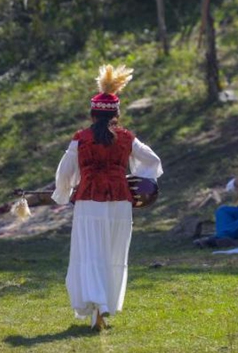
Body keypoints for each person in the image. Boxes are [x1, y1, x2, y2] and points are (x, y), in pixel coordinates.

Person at [52, 64, 163, 331]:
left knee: (90, 252)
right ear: (117, 113)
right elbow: (153, 161)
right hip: (120, 204)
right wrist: (137, 179)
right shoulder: (127, 139)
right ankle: (103, 308)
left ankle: (96, 306)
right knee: (112, 252)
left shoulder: (81, 139)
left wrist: (64, 192)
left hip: (89, 202)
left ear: (92, 115)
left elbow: (65, 172)